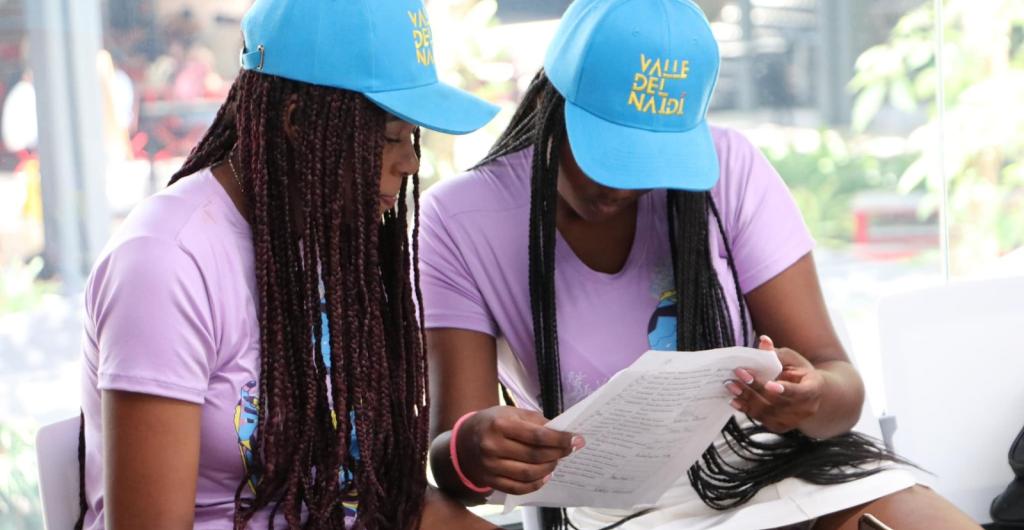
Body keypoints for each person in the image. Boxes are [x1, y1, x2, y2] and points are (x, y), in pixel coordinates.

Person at [419, 0, 981, 528]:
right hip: (628, 506)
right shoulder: (459, 220)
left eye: (649, 158)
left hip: (780, 465)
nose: (623, 183)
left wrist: (809, 397)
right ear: (548, 103)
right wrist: (472, 450)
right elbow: (457, 471)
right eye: (607, 151)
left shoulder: (728, 170)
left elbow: (841, 391)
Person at [77, 0, 497, 528]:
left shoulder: (335, 237)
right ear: (299, 123)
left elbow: (383, 498)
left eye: (413, 138)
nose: (410, 161)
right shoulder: (165, 263)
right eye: (390, 137)